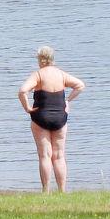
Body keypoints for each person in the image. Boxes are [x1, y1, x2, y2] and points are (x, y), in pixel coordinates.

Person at [18, 44, 86, 192]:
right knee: (59, 155)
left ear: (39, 59)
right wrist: (67, 100)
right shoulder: (61, 74)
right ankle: (62, 190)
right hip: (60, 118)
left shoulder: (38, 74)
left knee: (45, 155)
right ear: (52, 58)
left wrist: (27, 108)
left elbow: (23, 91)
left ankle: (46, 191)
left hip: (41, 118)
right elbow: (80, 85)